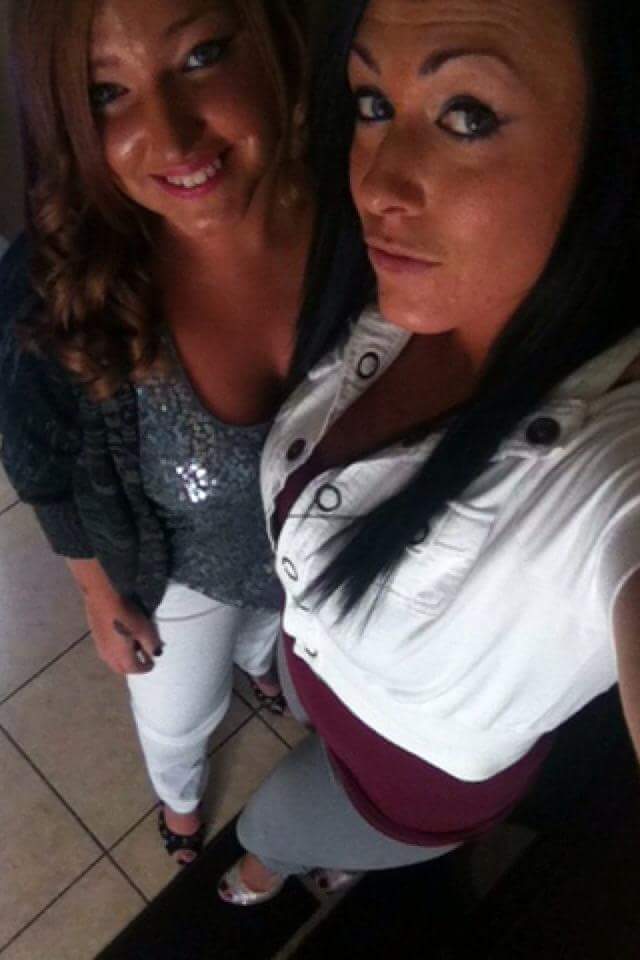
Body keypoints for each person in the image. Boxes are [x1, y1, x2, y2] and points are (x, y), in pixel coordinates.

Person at [217, 0, 640, 904]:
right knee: (296, 693)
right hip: (312, 666)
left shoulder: (612, 459)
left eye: (467, 115)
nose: (377, 184)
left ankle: (260, 880)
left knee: (267, 826)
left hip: (407, 791)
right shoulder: (394, 293)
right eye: (374, 104)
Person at [0, 0, 313, 865]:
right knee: (179, 715)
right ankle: (179, 803)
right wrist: (99, 594)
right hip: (176, 578)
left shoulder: (369, 216)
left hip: (303, 563)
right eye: (106, 93)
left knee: (266, 634)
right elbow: (39, 463)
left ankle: (259, 664)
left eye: (202, 55)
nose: (171, 137)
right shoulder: (49, 288)